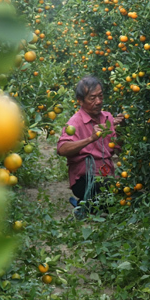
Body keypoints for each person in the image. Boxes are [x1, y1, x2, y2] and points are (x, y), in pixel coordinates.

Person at [57, 76, 123, 213]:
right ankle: (86, 204)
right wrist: (90, 139)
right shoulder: (75, 122)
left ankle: (84, 205)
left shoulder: (107, 117)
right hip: (84, 179)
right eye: (92, 98)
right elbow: (62, 149)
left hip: (107, 175)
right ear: (80, 101)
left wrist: (122, 132)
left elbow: (118, 150)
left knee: (120, 191)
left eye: (100, 96)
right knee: (108, 194)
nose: (98, 102)